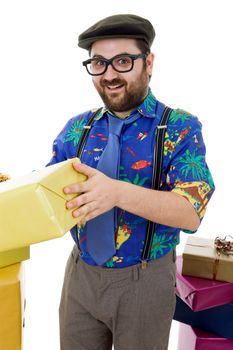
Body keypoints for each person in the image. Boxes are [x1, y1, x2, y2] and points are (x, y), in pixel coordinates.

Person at [47, 14, 215, 350]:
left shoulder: (180, 128)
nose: (109, 74)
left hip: (146, 280)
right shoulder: (76, 128)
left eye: (123, 61)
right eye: (99, 63)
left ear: (148, 62)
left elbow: (190, 213)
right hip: (80, 276)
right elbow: (48, 196)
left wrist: (117, 192)